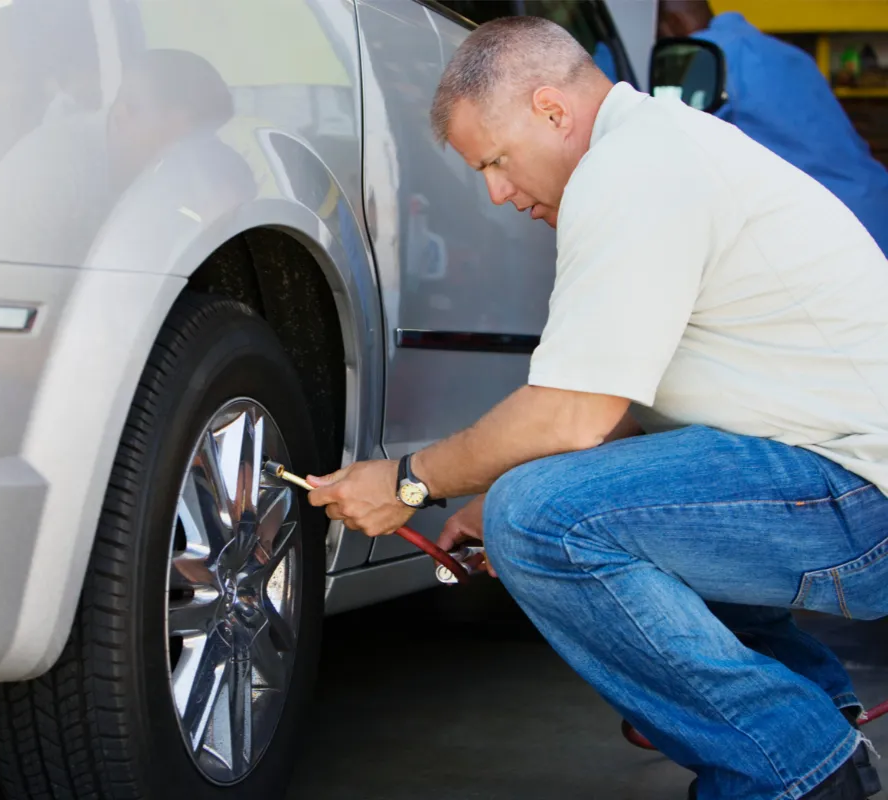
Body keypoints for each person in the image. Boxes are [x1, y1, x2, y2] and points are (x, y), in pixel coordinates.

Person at [304, 15, 888, 800]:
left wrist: (410, 480)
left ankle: (802, 769)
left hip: (859, 498)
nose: (498, 193)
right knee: (554, 501)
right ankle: (812, 711)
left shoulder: (634, 169)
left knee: (541, 519)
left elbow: (571, 414)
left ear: (552, 110)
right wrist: (486, 488)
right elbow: (611, 410)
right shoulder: (662, 147)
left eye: (497, 162)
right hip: (839, 476)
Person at [657, 0, 888, 257]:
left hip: (828, 236)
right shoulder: (789, 54)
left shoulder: (704, 56)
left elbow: (675, 144)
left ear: (673, 24)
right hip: (874, 209)